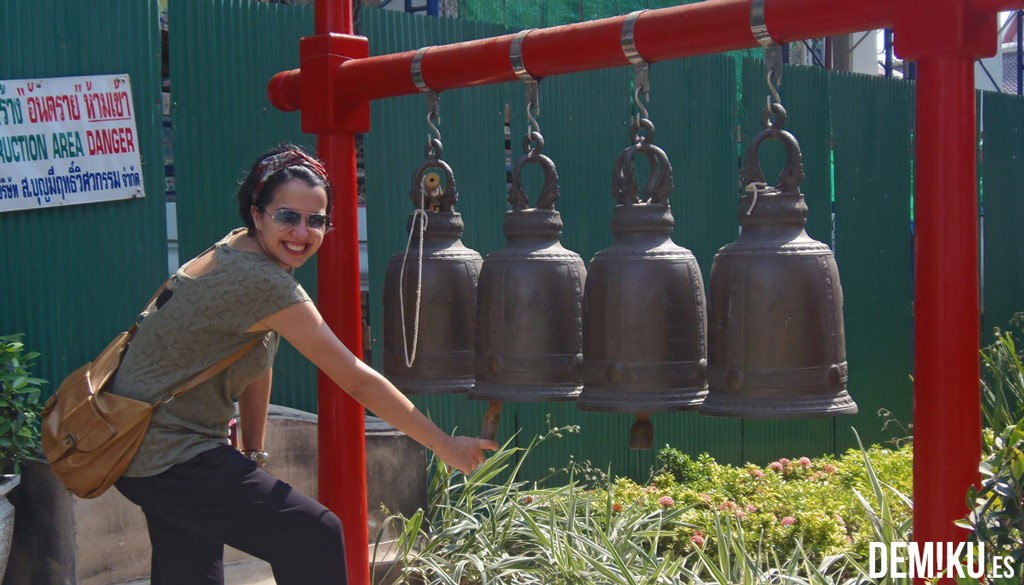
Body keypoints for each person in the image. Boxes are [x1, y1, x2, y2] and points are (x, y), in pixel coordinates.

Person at [111, 143, 497, 585]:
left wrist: (252, 451)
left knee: (192, 571)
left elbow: (255, 357)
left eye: (317, 220)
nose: (303, 232)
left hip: (143, 450)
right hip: (169, 455)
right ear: (257, 215)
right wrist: (443, 445)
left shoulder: (237, 250)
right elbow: (357, 381)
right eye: (288, 216)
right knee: (314, 534)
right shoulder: (263, 281)